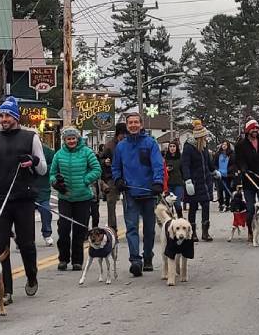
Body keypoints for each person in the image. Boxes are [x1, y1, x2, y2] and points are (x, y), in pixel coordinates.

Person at [0, 97, 48, 304]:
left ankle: (31, 275)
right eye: (1, 115)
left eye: (8, 115)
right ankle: (6, 290)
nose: (4, 119)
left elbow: (43, 168)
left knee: (26, 244)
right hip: (0, 199)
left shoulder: (30, 137)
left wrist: (33, 161)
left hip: (23, 198)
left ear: (16, 117)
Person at [111, 112, 163, 277]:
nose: (133, 125)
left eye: (136, 122)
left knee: (149, 229)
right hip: (130, 192)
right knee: (131, 228)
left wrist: (157, 182)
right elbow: (116, 167)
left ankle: (148, 256)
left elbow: (157, 165)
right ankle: (135, 260)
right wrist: (118, 179)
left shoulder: (150, 143)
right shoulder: (121, 146)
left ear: (141, 125)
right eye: (130, 122)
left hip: (148, 192)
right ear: (127, 126)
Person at [49, 126, 101, 271]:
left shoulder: (87, 152)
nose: (71, 141)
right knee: (63, 229)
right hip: (65, 197)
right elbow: (52, 173)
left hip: (83, 197)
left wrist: (85, 180)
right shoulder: (58, 155)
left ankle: (77, 261)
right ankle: (63, 259)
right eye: (68, 139)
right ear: (64, 140)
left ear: (77, 139)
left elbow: (97, 169)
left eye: (73, 138)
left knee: (79, 230)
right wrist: (55, 182)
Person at [182, 120, 216, 242]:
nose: (206, 137)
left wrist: (213, 171)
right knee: (193, 207)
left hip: (205, 181)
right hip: (194, 182)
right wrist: (187, 180)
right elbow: (185, 165)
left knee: (206, 205)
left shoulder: (204, 147)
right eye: (205, 135)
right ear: (200, 136)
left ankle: (205, 232)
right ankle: (192, 232)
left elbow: (208, 162)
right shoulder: (188, 147)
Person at [33, 140, 56, 246]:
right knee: (25, 216)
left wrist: (43, 167)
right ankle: (25, 238)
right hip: (27, 189)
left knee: (46, 211)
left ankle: (47, 234)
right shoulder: (24, 148)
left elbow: (54, 164)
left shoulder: (47, 150)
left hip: (43, 188)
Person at [163, 140, 185, 218]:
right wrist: (166, 169)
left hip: (178, 184)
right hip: (168, 185)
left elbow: (184, 170)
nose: (172, 148)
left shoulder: (181, 158)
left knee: (177, 204)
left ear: (177, 148)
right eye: (170, 146)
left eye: (174, 146)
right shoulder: (165, 159)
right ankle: (171, 222)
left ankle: (180, 218)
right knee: (168, 205)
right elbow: (162, 171)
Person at [216, 140, 233, 211]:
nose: (224, 146)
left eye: (225, 144)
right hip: (219, 175)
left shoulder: (231, 154)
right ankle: (221, 203)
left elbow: (233, 164)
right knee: (219, 190)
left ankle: (227, 204)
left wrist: (230, 171)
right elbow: (214, 164)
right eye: (223, 144)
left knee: (227, 190)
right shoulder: (218, 154)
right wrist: (216, 171)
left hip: (227, 175)